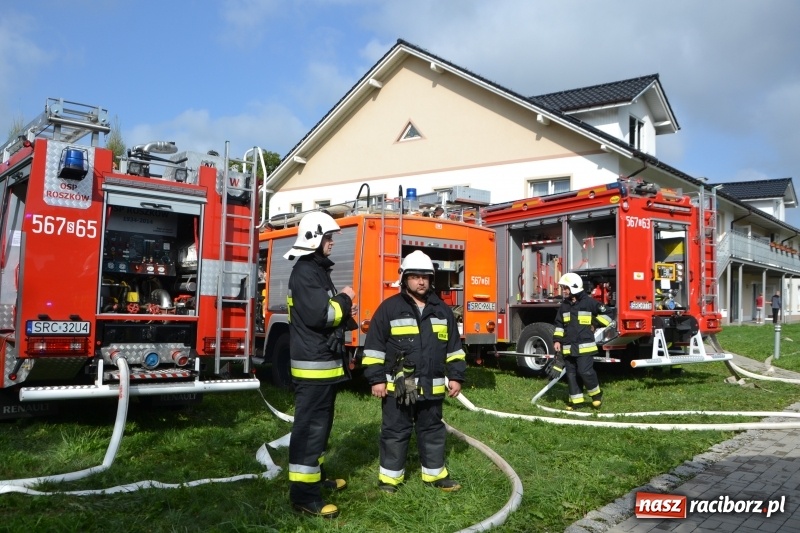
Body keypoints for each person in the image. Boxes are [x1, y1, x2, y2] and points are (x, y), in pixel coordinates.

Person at [363, 250, 466, 494]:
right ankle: (390, 480)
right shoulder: (390, 308)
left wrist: (456, 376)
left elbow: (455, 349)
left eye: (426, 277)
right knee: (396, 430)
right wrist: (376, 379)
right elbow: (374, 348)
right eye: (415, 277)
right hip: (403, 383)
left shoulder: (442, 310)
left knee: (431, 429)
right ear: (404, 278)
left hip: (432, 384)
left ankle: (435, 475)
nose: (421, 282)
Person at [284, 211, 357, 519]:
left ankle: (317, 478)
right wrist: (346, 298)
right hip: (312, 367)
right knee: (310, 430)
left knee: (321, 428)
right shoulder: (305, 272)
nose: (331, 243)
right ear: (313, 238)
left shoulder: (316, 270)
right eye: (328, 238)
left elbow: (325, 317)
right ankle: (304, 496)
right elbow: (321, 315)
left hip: (323, 365)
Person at [549, 272, 613, 410]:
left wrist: (595, 323)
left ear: (574, 287)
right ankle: (576, 401)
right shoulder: (564, 306)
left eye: (566, 288)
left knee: (585, 372)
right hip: (568, 347)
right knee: (571, 375)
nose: (564, 291)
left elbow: (609, 314)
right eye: (563, 288)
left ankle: (596, 395)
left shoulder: (589, 303)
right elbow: (559, 324)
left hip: (585, 347)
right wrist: (557, 340)